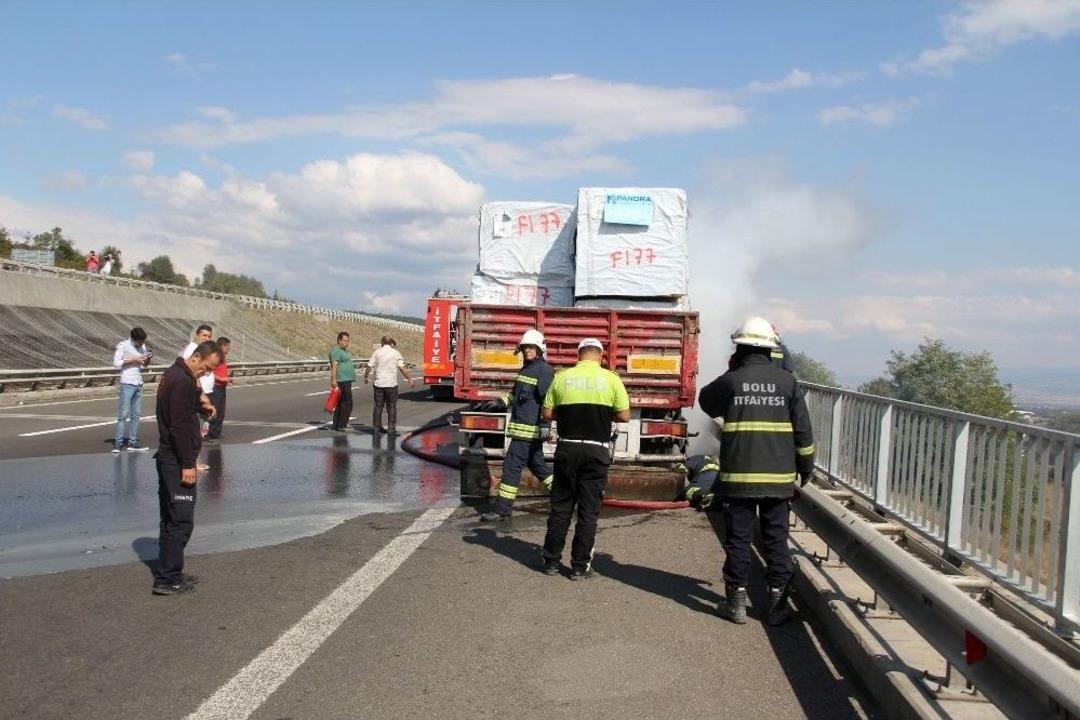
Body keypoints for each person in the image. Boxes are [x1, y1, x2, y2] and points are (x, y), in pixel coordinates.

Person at [698, 316, 815, 626]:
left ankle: (735, 603)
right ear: (770, 349)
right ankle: (777, 605)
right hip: (778, 480)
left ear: (739, 348)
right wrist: (807, 467)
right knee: (776, 539)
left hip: (738, 479)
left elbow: (706, 403)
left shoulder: (732, 380)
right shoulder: (788, 382)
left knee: (737, 539)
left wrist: (732, 374)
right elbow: (803, 432)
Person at [540, 338, 630, 580]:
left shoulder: (562, 377)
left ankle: (550, 562)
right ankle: (579, 567)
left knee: (561, 508)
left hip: (567, 449)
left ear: (578, 355)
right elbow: (624, 415)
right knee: (588, 512)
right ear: (600, 356)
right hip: (596, 451)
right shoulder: (611, 379)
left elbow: (547, 413)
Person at [153, 339, 221, 596]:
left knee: (170, 518)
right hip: (175, 460)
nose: (206, 374)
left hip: (168, 457)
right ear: (195, 358)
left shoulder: (175, 374)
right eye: (205, 368)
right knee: (180, 521)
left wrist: (201, 404)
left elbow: (181, 407)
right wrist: (188, 464)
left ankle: (169, 571)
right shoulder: (181, 381)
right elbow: (179, 427)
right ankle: (167, 578)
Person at [478, 329, 555, 522]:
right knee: (539, 467)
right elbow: (515, 394)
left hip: (528, 432)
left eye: (531, 347)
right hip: (524, 431)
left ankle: (502, 509)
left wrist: (546, 424)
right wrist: (499, 403)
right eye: (525, 347)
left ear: (539, 349)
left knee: (511, 467)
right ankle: (566, 497)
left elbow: (549, 400)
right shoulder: (526, 369)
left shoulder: (544, 371)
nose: (528, 351)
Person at [112, 326, 153, 453]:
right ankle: (118, 444)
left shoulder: (143, 346)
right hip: (127, 382)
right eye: (140, 341)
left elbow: (144, 365)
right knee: (123, 415)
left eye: (143, 341)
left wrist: (147, 359)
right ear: (134, 339)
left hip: (138, 382)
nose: (142, 344)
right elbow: (116, 363)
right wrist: (134, 359)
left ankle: (132, 443)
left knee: (136, 415)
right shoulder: (123, 345)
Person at [365, 335, 415, 434]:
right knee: (391, 406)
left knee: (378, 406)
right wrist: (409, 379)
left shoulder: (377, 352)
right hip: (391, 384)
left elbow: (369, 366)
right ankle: (391, 429)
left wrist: (366, 376)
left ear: (382, 343)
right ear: (391, 343)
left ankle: (376, 428)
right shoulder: (396, 353)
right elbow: (402, 368)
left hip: (379, 383)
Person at [180, 325, 216, 418]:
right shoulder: (193, 348)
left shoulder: (202, 349)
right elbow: (191, 373)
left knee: (205, 424)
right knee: (199, 422)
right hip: (199, 393)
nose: (206, 339)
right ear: (197, 335)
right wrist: (201, 393)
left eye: (209, 336)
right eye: (204, 335)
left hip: (206, 391)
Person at [206, 337, 232, 440]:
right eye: (227, 347)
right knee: (214, 410)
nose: (229, 349)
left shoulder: (223, 358)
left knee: (221, 411)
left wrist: (227, 378)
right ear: (222, 346)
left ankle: (216, 432)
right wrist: (222, 378)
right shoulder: (215, 357)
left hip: (222, 387)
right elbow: (209, 372)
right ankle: (209, 432)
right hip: (215, 387)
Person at [329, 331, 355, 432]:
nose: (347, 343)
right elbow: (334, 365)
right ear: (339, 340)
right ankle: (342, 424)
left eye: (348, 341)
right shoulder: (336, 350)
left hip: (346, 379)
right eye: (345, 341)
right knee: (347, 403)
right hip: (342, 379)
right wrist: (334, 379)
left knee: (341, 403)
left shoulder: (344, 351)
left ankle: (337, 424)